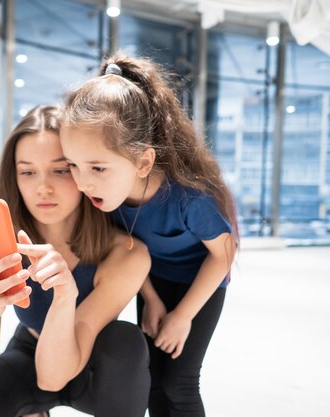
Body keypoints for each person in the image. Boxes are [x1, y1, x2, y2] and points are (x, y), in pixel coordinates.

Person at [0, 105, 152, 417]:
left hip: (95, 371)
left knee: (126, 342)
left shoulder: (126, 253)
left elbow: (55, 377)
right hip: (31, 352)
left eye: (61, 170)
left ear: (83, 170)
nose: (43, 188)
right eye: (27, 172)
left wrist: (66, 297)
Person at [59, 53, 238, 417]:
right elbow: (133, 252)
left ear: (143, 161)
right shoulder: (108, 198)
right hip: (154, 278)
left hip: (202, 283)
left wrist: (183, 316)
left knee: (180, 382)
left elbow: (224, 254)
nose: (82, 182)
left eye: (97, 167)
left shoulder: (189, 199)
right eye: (73, 165)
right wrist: (153, 300)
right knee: (153, 379)